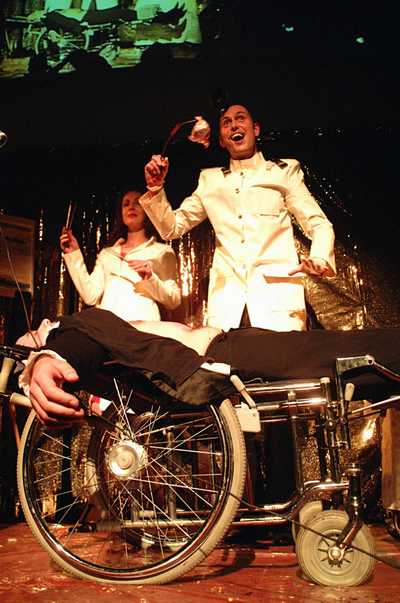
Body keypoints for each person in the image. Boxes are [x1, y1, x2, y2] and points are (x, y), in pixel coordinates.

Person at [18, 307, 400, 426]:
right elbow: (76, 344)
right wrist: (47, 356)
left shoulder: (73, 330)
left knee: (336, 357)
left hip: (230, 345)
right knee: (341, 353)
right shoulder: (71, 332)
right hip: (223, 355)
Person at [140, 103, 336, 332]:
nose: (234, 125)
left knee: (278, 355)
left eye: (240, 118)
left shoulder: (283, 172)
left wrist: (319, 257)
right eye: (226, 122)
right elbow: (172, 228)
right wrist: (155, 188)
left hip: (276, 303)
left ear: (256, 129)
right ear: (222, 141)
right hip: (228, 307)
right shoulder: (211, 181)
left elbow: (318, 223)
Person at [60, 188, 181, 322]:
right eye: (126, 204)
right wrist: (74, 254)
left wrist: (151, 278)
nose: (131, 207)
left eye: (137, 203)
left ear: (147, 210)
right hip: (108, 326)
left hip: (142, 324)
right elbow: (90, 296)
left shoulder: (161, 252)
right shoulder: (108, 254)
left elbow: (174, 300)